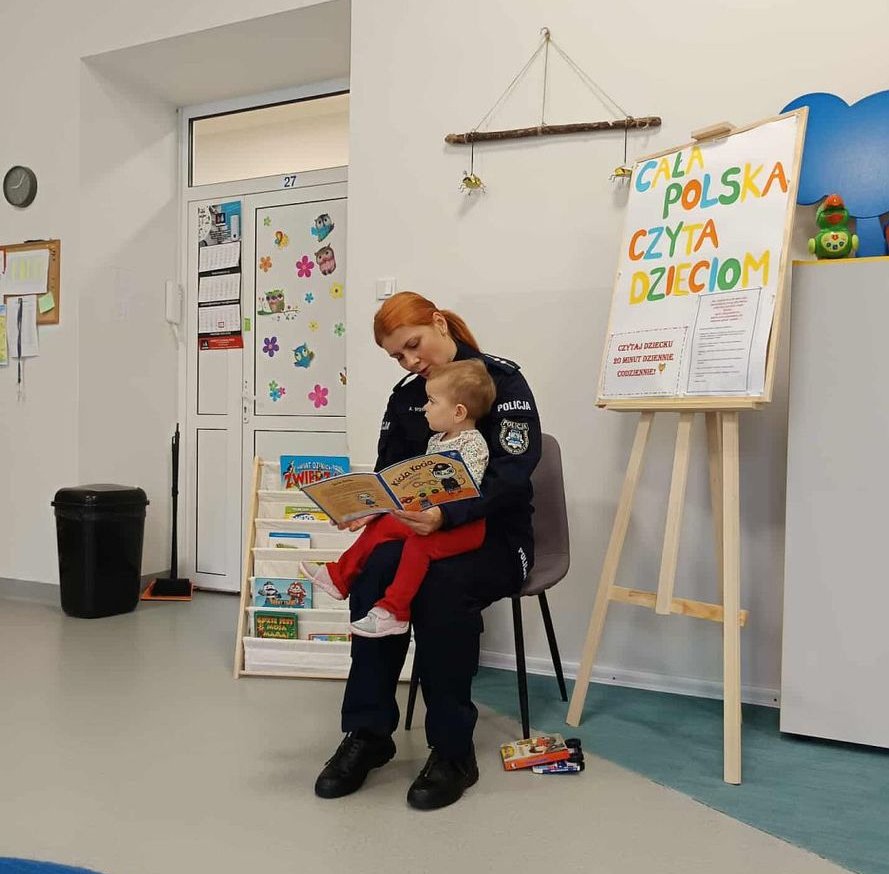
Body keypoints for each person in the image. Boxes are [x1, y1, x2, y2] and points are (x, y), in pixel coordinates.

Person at [314, 291, 541, 811]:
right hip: (421, 531)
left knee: (441, 585)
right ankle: (368, 733)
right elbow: (389, 472)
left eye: (413, 345)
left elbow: (512, 476)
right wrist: (365, 507)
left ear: (439, 324)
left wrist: (448, 516)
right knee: (374, 571)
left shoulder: (501, 382)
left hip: (496, 537)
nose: (410, 361)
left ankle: (453, 749)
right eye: (397, 356)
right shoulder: (406, 398)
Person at [299, 359, 495, 638]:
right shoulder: (436, 440)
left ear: (458, 412)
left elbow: (467, 493)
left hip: (464, 528)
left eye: (432, 401)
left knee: (418, 546)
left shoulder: (474, 444)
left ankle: (395, 611)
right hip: (430, 516)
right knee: (383, 524)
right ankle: (340, 576)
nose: (424, 407)